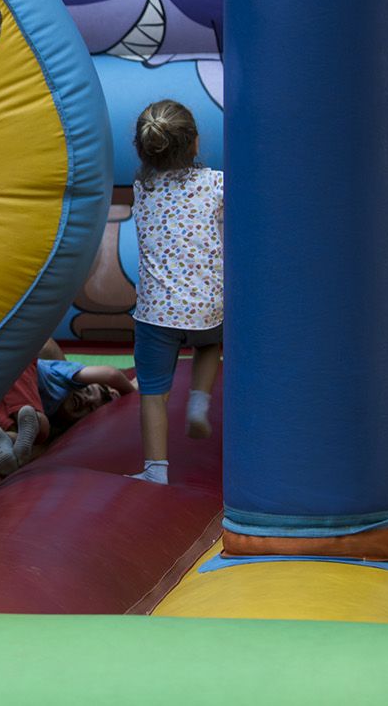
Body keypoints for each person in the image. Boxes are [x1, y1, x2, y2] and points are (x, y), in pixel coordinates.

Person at [126, 99, 222, 485]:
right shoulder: (217, 183)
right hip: (208, 310)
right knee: (211, 343)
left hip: (156, 316)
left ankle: (155, 470)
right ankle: (199, 401)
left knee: (153, 391)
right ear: (196, 144)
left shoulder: (141, 190)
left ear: (141, 149)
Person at [0, 338, 135, 475]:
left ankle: (5, 447)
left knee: (36, 428)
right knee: (31, 411)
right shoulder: (65, 376)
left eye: (91, 408)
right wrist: (131, 394)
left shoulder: (58, 421)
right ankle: (25, 423)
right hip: (14, 368)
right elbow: (111, 375)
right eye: (87, 390)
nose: (85, 399)